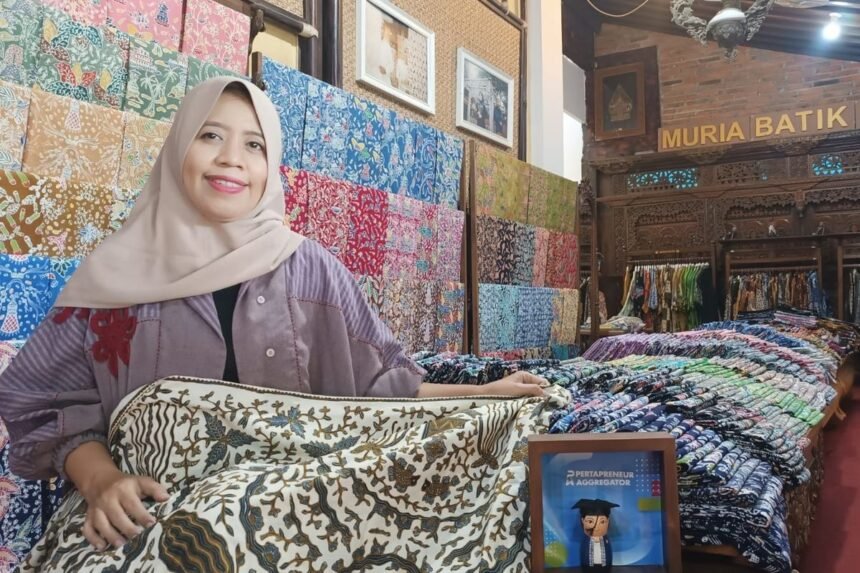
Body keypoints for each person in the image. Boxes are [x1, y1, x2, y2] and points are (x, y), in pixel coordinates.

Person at [0, 77, 544, 552]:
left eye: (254, 144)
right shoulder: (111, 277)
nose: (231, 158)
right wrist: (101, 482)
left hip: (293, 534)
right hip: (146, 534)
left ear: (270, 164)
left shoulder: (311, 270)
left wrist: (486, 393)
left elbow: (381, 389)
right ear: (177, 148)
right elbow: (46, 405)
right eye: (210, 136)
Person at [572, 498, 619, 572]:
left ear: (608, 521)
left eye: (602, 522)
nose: (596, 528)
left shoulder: (606, 540)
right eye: (590, 521)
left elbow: (608, 554)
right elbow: (584, 554)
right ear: (582, 521)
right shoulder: (585, 541)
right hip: (587, 567)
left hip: (605, 567)